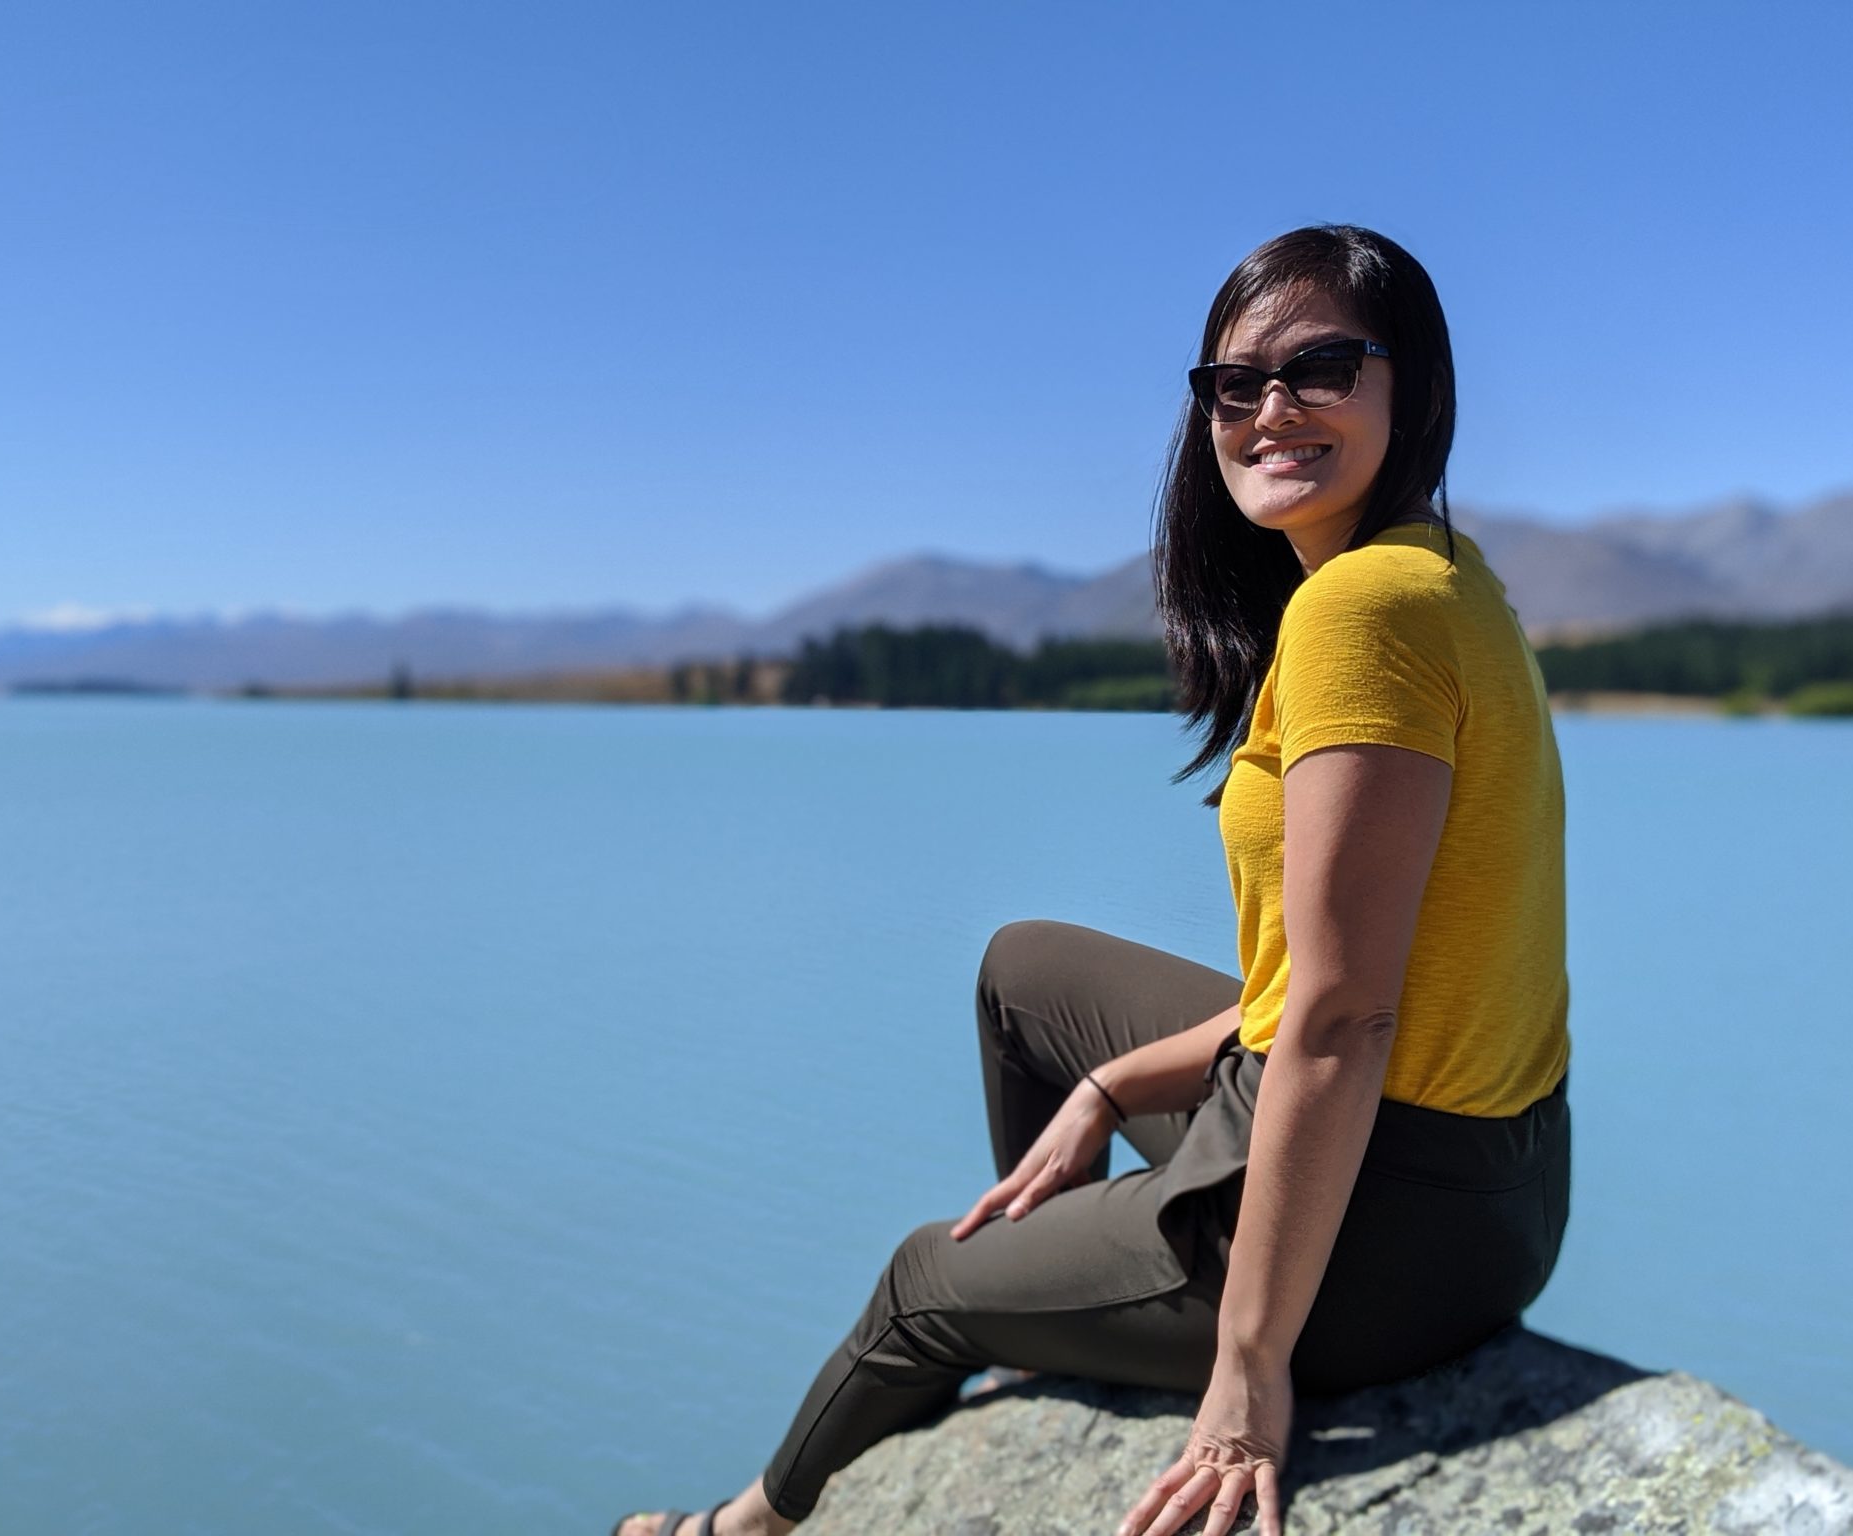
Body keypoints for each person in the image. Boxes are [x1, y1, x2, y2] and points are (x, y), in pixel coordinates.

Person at [610, 224, 1572, 1536]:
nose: (1272, 410)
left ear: (1417, 390)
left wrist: (1246, 1371)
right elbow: (1332, 988)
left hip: (1385, 1237)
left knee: (919, 1282)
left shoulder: (1361, 614)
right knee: (1024, 972)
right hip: (1504, 1194)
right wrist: (1112, 1086)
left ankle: (742, 1528)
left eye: (1323, 369)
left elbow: (1344, 1020)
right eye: (1236, 384)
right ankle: (1064, 1296)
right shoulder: (1444, 575)